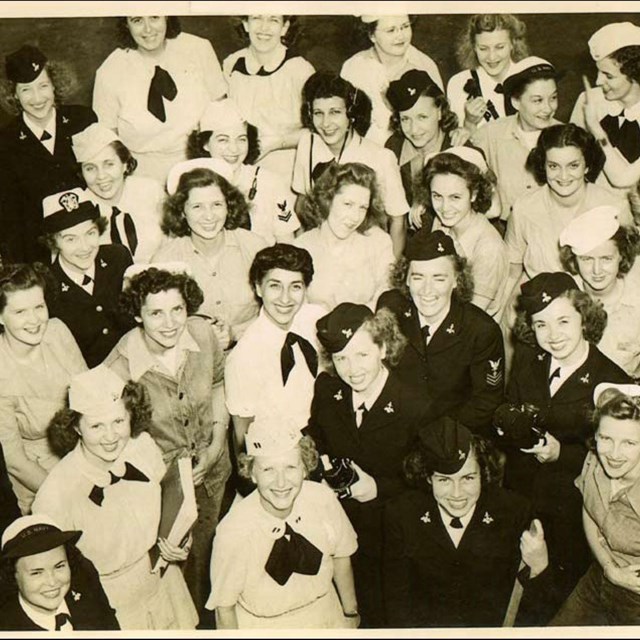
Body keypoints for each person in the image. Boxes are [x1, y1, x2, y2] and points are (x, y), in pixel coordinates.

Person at [104, 264, 230, 616]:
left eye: (177, 309)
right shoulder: (121, 366)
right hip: (160, 490)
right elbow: (112, 440)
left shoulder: (203, 334)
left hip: (212, 471)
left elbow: (219, 382)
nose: (170, 322)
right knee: (172, 573)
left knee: (208, 559)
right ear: (137, 315)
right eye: (155, 313)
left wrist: (217, 442)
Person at [32, 366, 198, 629]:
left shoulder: (142, 447)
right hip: (111, 604)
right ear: (75, 427)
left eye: (119, 421)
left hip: (165, 581)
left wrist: (181, 541)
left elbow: (171, 506)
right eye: (96, 426)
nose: (111, 437)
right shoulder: (55, 495)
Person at [503, 271, 630, 609]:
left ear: (584, 317)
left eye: (563, 321)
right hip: (520, 496)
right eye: (541, 324)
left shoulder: (611, 384)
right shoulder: (530, 359)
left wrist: (561, 453)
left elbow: (618, 466)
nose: (553, 335)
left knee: (554, 605)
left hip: (573, 514)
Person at [305, 302, 434, 627]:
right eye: (341, 358)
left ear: (383, 347)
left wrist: (378, 487)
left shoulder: (415, 405)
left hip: (391, 542)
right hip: (336, 536)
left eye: (361, 354)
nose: (352, 369)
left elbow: (432, 483)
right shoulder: (327, 390)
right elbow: (316, 441)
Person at [384, 417, 553, 627]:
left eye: (468, 478)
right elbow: (397, 602)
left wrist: (540, 569)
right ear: (428, 478)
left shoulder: (514, 512)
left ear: (483, 473)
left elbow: (538, 608)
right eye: (444, 479)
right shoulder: (402, 514)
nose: (457, 494)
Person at [207, 418, 359, 629]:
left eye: (290, 467)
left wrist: (350, 614)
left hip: (326, 616)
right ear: (251, 472)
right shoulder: (233, 531)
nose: (281, 482)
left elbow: (342, 556)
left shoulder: (323, 500)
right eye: (268, 469)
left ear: (305, 469)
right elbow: (224, 608)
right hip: (265, 626)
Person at [377, 229, 504, 438]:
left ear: (456, 280)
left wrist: (433, 437)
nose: (427, 290)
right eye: (418, 277)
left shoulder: (481, 330)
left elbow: (485, 404)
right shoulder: (391, 308)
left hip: (453, 438)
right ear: (406, 279)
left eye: (439, 278)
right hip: (395, 430)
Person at [503, 123, 633, 315]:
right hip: (542, 311)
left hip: (599, 311)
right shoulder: (524, 208)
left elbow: (629, 272)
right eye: (554, 166)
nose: (563, 176)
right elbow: (512, 271)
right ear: (543, 166)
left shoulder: (614, 207)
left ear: (587, 165)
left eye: (573, 166)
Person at [93, 16, 227, 183]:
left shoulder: (198, 49)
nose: (148, 29)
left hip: (201, 164)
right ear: (126, 25)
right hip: (142, 173)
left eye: (155, 17)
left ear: (167, 17)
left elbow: (222, 113)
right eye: (137, 21)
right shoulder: (110, 71)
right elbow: (107, 137)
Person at [0, 263, 87, 514]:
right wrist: (73, 495)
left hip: (84, 454)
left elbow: (90, 397)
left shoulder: (57, 331)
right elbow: (15, 462)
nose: (35, 320)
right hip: (37, 479)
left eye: (39, 307)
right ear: (1, 317)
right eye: (20, 312)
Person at [551, 383, 640, 625]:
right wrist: (609, 567)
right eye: (606, 438)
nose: (613, 453)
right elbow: (590, 510)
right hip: (598, 578)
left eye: (629, 443)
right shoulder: (594, 460)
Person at [293, 72, 408, 257]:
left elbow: (398, 221)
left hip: (366, 253)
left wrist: (391, 273)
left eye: (335, 112)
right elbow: (301, 205)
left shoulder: (382, 158)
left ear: (351, 114)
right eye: (318, 113)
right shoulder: (308, 144)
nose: (325, 123)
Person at [153, 160, 267, 347]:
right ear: (182, 211)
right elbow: (157, 326)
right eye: (197, 207)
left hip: (253, 347)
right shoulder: (165, 261)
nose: (209, 216)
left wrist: (235, 334)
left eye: (216, 205)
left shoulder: (255, 247)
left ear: (229, 206)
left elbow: (277, 309)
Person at [0, 45, 96, 264]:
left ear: (55, 85)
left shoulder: (82, 120)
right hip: (37, 255)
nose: (37, 98)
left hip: (88, 246)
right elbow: (9, 219)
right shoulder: (5, 143)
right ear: (13, 94)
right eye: (26, 89)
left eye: (43, 86)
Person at [225, 244, 325, 454]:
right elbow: (243, 438)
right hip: (280, 452)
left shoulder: (316, 319)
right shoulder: (244, 357)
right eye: (275, 286)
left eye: (295, 286)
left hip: (327, 436)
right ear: (258, 288)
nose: (285, 298)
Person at [40, 187, 133, 367]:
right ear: (53, 242)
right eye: (70, 239)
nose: (84, 247)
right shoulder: (45, 284)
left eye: (90, 233)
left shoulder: (118, 258)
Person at [187, 99, 299, 244]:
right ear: (205, 144)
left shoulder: (270, 183)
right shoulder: (191, 184)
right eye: (223, 140)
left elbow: (287, 244)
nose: (234, 149)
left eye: (241, 139)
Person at [418, 147, 507, 317]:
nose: (444, 208)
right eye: (437, 196)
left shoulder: (489, 248)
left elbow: (472, 317)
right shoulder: (441, 224)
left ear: (473, 194)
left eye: (455, 197)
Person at [223, 15, 314, 180]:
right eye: (257, 18)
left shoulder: (300, 70)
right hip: (240, 168)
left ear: (285, 27)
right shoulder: (232, 64)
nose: (264, 28)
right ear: (245, 24)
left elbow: (317, 130)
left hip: (287, 171)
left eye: (273, 20)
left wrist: (275, 143)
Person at [294, 162, 394, 311]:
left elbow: (387, 295)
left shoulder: (378, 241)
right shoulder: (301, 247)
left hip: (366, 329)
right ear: (327, 200)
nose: (355, 217)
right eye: (348, 204)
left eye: (363, 208)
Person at [472, 56, 562, 221]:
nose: (548, 108)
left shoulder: (566, 137)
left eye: (553, 98)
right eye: (537, 100)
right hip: (504, 234)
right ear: (515, 102)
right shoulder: (490, 135)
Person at [560, 205, 640, 379]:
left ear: (622, 256)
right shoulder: (561, 297)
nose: (597, 270)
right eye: (587, 259)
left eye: (606, 259)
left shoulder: (637, 300)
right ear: (574, 260)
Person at [0, 514, 119, 630]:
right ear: (12, 576)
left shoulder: (86, 586)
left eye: (59, 566)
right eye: (36, 573)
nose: (52, 582)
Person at [340, 15, 443, 146]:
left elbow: (440, 117)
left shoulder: (424, 65)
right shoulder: (354, 67)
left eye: (405, 27)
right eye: (391, 30)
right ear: (372, 35)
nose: (400, 36)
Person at [72, 122, 166, 263]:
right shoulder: (77, 208)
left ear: (125, 164)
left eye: (109, 164)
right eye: (90, 168)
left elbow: (174, 242)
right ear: (81, 173)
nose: (101, 176)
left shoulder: (150, 191)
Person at [571, 22, 640, 192]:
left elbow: (623, 179)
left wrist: (595, 127)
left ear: (635, 75)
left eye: (608, 76)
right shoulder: (589, 100)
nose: (598, 81)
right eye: (598, 72)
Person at [385, 69, 465, 215]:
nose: (414, 129)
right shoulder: (393, 147)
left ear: (440, 111)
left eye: (422, 117)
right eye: (405, 119)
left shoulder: (458, 148)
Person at [447, 14, 530, 132]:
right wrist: (469, 124)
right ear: (473, 47)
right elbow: (459, 145)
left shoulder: (530, 78)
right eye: (483, 48)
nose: (492, 57)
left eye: (500, 47)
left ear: (513, 43)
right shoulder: (458, 83)